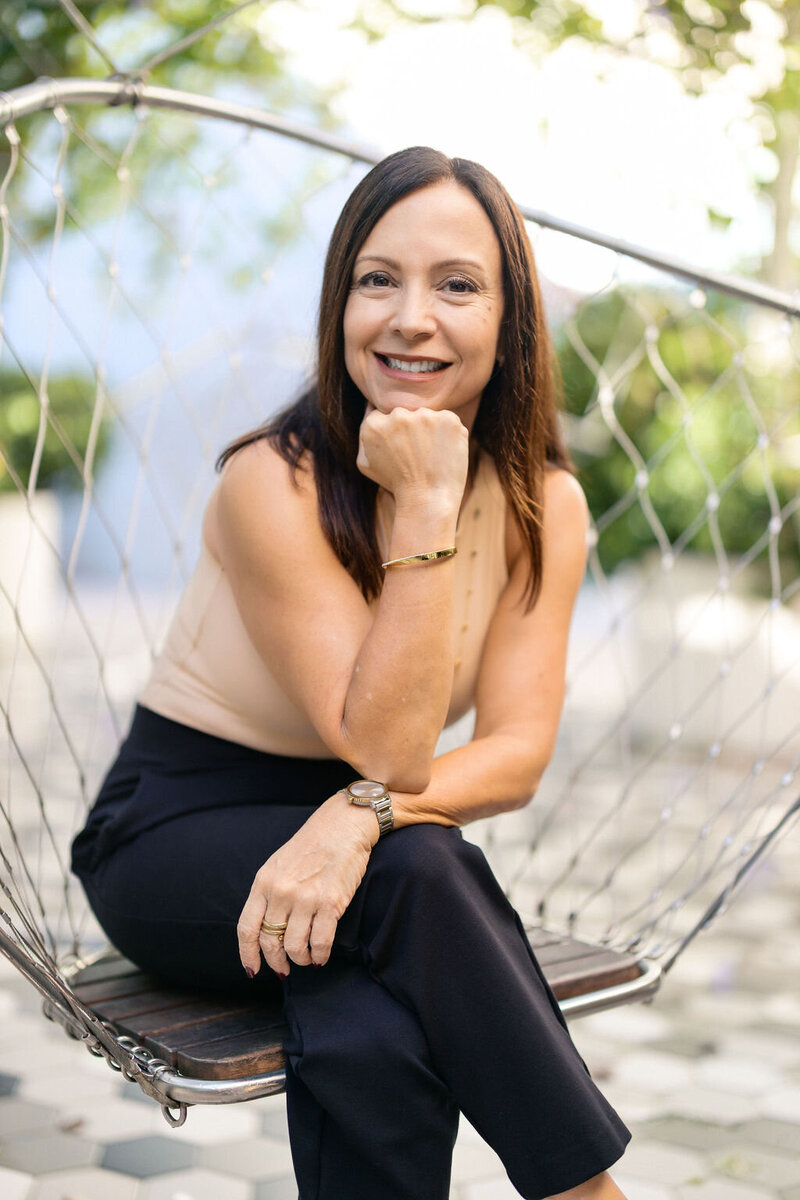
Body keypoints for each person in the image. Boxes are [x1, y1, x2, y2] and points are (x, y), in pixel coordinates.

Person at [72, 146, 631, 1200]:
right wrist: (420, 507)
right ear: (339, 305)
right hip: (175, 833)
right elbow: (382, 748)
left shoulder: (541, 504)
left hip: (369, 838)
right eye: (377, 279)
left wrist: (354, 818)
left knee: (374, 1019)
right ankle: (583, 1191)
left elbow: (514, 755)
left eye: (456, 285)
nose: (409, 317)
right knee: (420, 875)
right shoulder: (269, 482)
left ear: (509, 319)